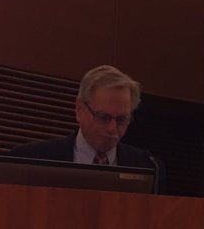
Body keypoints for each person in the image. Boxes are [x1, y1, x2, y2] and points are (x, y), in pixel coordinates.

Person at [8, 64, 156, 171]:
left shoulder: (148, 167)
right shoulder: (30, 160)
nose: (112, 129)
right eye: (103, 117)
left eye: (121, 119)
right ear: (79, 110)